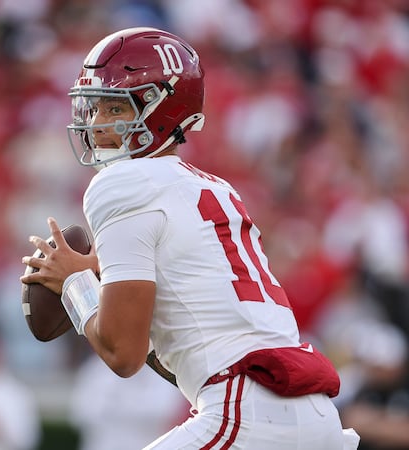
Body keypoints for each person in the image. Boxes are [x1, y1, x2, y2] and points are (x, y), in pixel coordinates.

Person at [20, 27, 360, 449]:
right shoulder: (217, 189)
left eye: (114, 109)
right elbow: (173, 353)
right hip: (309, 414)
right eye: (93, 109)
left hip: (247, 409)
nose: (95, 125)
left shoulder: (121, 183)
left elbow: (122, 354)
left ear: (161, 109)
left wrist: (75, 285)